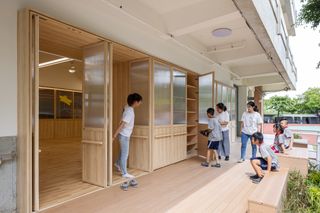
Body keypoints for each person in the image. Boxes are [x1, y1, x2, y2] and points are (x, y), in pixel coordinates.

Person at [113, 93, 142, 178]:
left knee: (123, 152)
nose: (140, 103)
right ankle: (124, 173)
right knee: (125, 154)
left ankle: (117, 163)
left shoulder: (127, 107)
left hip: (124, 135)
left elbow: (123, 109)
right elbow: (122, 125)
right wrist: (114, 136)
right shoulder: (129, 112)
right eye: (140, 101)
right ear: (135, 102)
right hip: (124, 136)